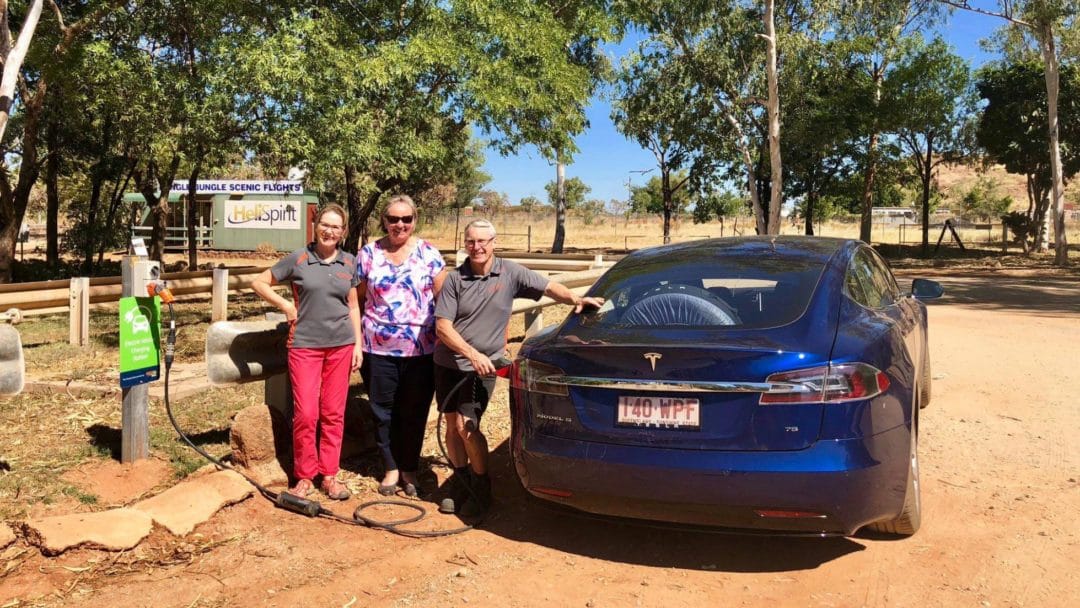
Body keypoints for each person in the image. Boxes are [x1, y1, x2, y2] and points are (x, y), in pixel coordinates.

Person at [434, 219, 604, 516]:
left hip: (482, 368)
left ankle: (480, 486)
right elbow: (442, 327)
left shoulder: (509, 272)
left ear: (494, 242)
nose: (478, 247)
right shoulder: (454, 279)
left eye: (483, 241)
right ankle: (459, 481)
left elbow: (548, 286)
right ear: (465, 244)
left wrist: (577, 298)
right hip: (449, 362)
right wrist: (470, 353)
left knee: (466, 425)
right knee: (451, 424)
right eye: (471, 241)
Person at [251, 204, 362, 501]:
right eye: (325, 224)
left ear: (343, 232)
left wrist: (358, 345)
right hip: (305, 346)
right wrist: (286, 306)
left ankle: (329, 474)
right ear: (315, 226)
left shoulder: (350, 263)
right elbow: (259, 282)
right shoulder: (298, 259)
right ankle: (304, 476)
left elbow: (353, 306)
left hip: (341, 346)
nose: (329, 231)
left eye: (336, 227)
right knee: (306, 413)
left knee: (333, 412)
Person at [357, 195, 445, 497]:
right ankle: (391, 467)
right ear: (384, 220)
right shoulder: (368, 254)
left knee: (414, 410)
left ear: (414, 221)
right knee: (383, 411)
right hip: (377, 349)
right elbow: (358, 298)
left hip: (421, 351)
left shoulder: (430, 255)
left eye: (406, 219)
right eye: (393, 219)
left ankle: (409, 468)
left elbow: (445, 300)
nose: (400, 224)